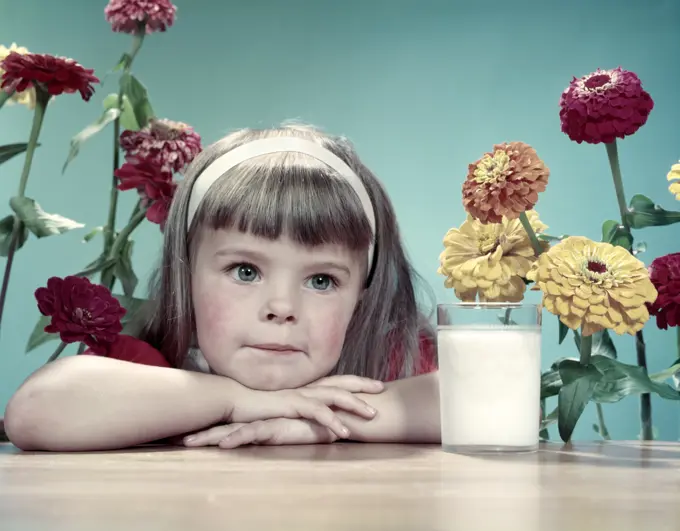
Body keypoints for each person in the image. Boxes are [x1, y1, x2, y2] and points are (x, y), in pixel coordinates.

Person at [4, 124, 441, 452]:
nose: (281, 307)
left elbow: (497, 401)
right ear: (186, 275)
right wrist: (234, 399)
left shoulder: (392, 361)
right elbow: (34, 412)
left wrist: (328, 418)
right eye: (245, 271)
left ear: (360, 296)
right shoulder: (155, 363)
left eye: (321, 280)